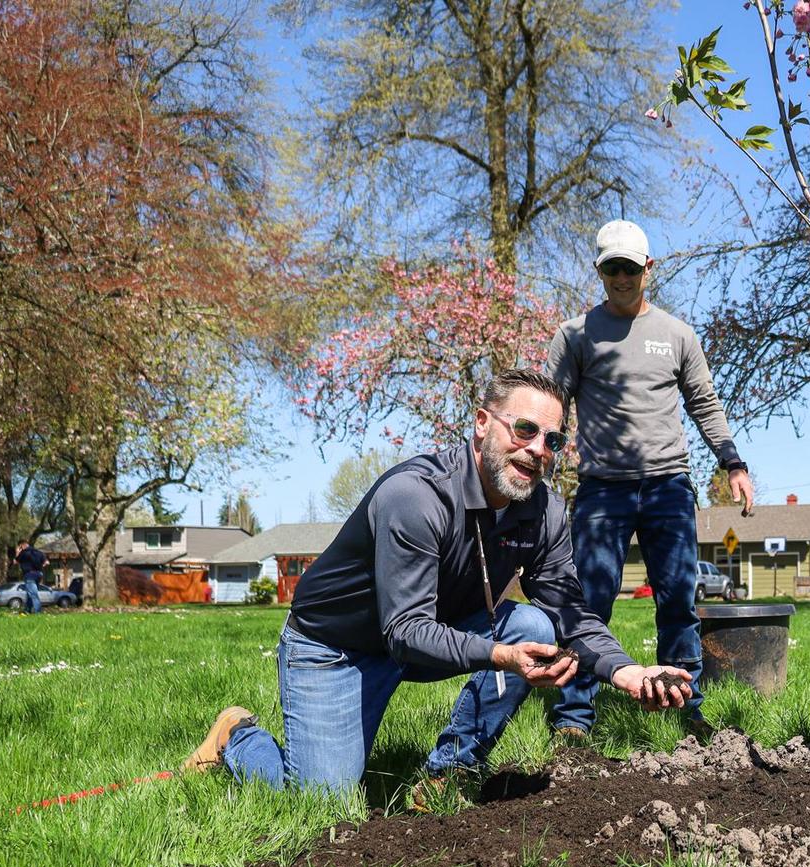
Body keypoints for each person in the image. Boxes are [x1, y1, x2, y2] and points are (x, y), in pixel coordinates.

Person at [182, 370, 693, 794]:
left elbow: (570, 611)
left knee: (532, 623)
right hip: (336, 648)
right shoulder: (416, 496)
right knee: (318, 798)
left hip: (431, 635)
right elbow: (404, 628)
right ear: (481, 424)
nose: (538, 449)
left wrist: (625, 671)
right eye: (524, 429)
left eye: (552, 440)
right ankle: (238, 738)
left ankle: (447, 776)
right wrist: (497, 656)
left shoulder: (544, 512)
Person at [545, 219, 756, 743]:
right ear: (600, 270)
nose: (621, 277)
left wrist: (733, 463)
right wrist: (540, 468)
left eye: (630, 268)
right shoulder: (574, 336)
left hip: (667, 486)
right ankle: (574, 716)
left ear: (648, 269)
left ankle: (683, 707)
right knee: (589, 600)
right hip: (602, 490)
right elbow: (552, 406)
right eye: (612, 268)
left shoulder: (677, 335)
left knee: (678, 599)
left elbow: (704, 401)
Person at [14, 540, 47, 614]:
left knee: (33, 594)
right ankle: (27, 610)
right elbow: (46, 562)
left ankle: (38, 612)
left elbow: (15, 561)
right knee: (30, 594)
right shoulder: (39, 552)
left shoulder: (24, 553)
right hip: (39, 574)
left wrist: (17, 552)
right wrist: (39, 567)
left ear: (21, 546)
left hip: (29, 575)